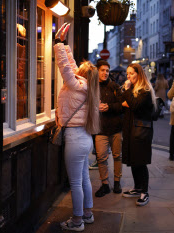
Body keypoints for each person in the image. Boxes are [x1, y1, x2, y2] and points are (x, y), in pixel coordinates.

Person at [54, 23, 100, 231]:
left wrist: (57, 43)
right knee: (83, 178)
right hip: (85, 138)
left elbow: (65, 66)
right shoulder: (87, 87)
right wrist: (64, 44)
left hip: (74, 137)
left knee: (75, 183)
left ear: (81, 74)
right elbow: (70, 65)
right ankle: (87, 214)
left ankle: (77, 221)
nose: (74, 70)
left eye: (78, 70)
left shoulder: (76, 84)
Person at [121, 63, 157, 206]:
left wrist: (127, 91)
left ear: (139, 74)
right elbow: (126, 103)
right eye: (127, 73)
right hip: (131, 129)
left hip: (141, 131)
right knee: (134, 160)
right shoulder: (135, 89)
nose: (128, 76)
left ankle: (144, 192)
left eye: (131, 73)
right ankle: (137, 188)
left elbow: (134, 105)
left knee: (141, 161)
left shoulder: (145, 90)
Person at [94, 59, 124, 197]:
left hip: (116, 128)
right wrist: (96, 108)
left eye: (107, 70)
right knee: (101, 157)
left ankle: (117, 181)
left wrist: (109, 107)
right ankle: (105, 184)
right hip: (100, 129)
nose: (105, 73)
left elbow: (122, 106)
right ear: (97, 71)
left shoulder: (115, 87)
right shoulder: (92, 88)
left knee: (117, 156)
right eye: (102, 70)